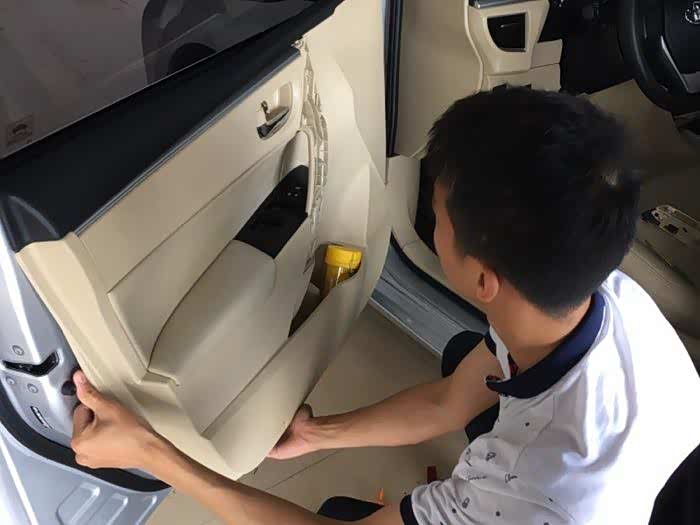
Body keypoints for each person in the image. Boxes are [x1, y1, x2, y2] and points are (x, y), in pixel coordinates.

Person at [70, 87, 700, 524]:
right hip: (635, 482)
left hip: (567, 500)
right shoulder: (606, 299)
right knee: (465, 357)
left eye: (439, 215)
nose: (433, 220)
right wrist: (319, 434)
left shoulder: (531, 493)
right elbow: (450, 401)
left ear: (485, 279)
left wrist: (151, 453)